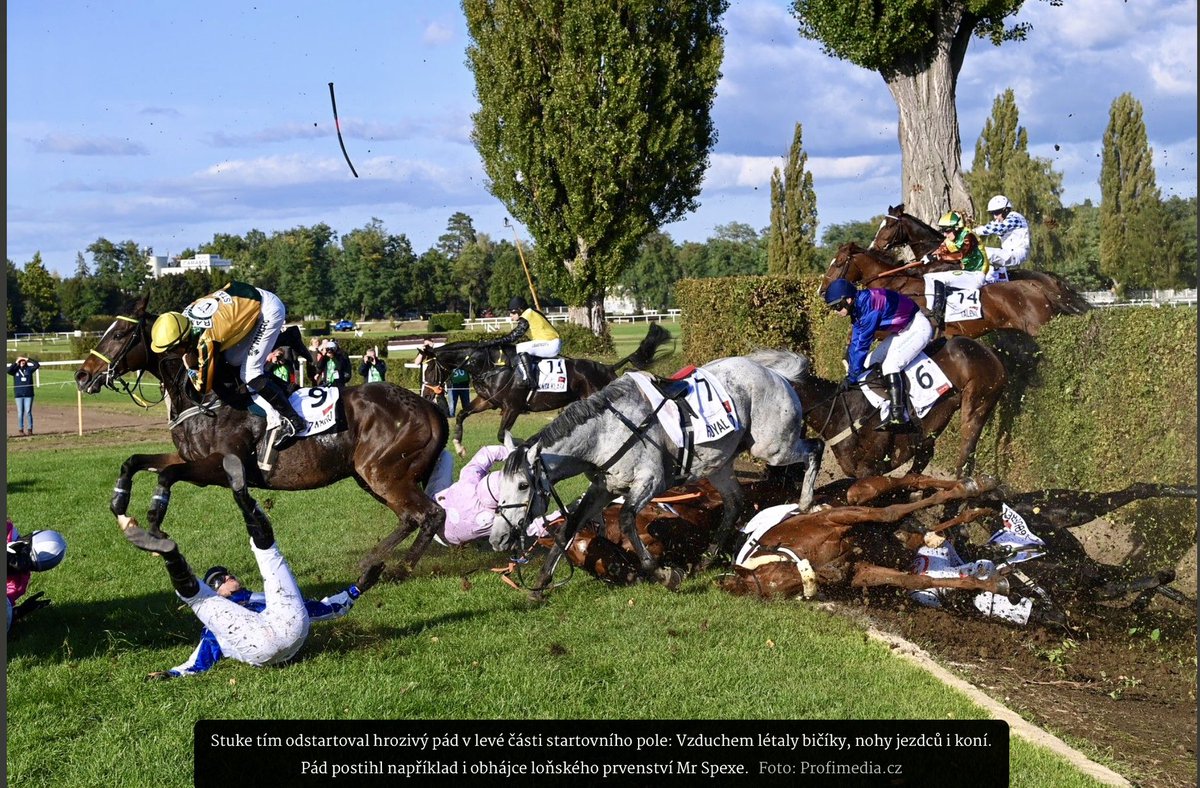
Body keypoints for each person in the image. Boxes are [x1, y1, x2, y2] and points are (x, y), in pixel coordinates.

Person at [119, 504, 360, 680]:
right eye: (219, 580)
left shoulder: (259, 597)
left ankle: (242, 498)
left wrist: (355, 590)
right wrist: (172, 673)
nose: (227, 577)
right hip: (257, 646)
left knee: (269, 561)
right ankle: (172, 556)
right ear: (217, 592)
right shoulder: (218, 621)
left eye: (227, 574)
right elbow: (201, 659)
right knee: (200, 599)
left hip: (290, 630)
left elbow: (315, 609)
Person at [150, 281, 304, 447]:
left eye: (172, 349)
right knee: (233, 359)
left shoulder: (206, 340)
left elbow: (203, 386)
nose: (172, 354)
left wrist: (190, 367)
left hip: (267, 310)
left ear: (182, 340)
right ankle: (286, 338)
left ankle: (293, 420)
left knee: (250, 373)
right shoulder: (183, 318)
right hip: (250, 300)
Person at [823, 278, 933, 429]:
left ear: (848, 300)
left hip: (918, 327)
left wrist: (852, 377)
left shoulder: (869, 309)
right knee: (870, 361)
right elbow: (856, 341)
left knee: (890, 365)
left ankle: (899, 414)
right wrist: (851, 373)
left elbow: (862, 345)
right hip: (903, 331)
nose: (835, 311)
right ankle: (886, 404)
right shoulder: (858, 306)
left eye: (837, 306)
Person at [426, 445, 551, 546]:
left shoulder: (469, 479)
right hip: (447, 540)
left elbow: (487, 452)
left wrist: (513, 455)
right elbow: (533, 527)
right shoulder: (497, 519)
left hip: (432, 507)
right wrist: (558, 514)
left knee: (445, 455)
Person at [920, 211, 990, 327]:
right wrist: (929, 256)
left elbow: (961, 255)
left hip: (976, 275)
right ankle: (930, 311)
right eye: (943, 231)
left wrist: (940, 257)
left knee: (938, 278)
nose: (945, 234)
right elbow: (942, 249)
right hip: (967, 274)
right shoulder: (951, 239)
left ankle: (937, 315)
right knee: (928, 277)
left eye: (947, 230)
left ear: (956, 228)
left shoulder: (969, 236)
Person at [482, 297, 561, 387]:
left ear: (520, 310)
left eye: (513, 312)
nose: (510, 315)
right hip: (550, 343)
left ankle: (530, 380)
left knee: (521, 347)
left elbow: (512, 337)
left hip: (550, 344)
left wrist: (493, 342)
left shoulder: (526, 316)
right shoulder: (531, 313)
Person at [7, 519, 66, 632]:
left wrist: (18, 612)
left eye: (29, 564)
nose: (21, 564)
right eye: (25, 553)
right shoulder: (7, 531)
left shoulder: (19, 582)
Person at [972, 195, 1030, 277]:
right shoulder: (1002, 220)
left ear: (1006, 210)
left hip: (1016, 254)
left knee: (982, 252)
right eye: (992, 213)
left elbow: (996, 228)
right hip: (1008, 253)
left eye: (996, 213)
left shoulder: (1015, 217)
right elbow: (989, 226)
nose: (995, 216)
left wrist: (972, 231)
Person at [8, 355, 40, 436]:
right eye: (20, 361)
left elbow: (37, 365)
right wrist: (16, 362)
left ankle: (30, 429)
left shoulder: (29, 369)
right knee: (20, 413)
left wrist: (28, 359)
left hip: (28, 394)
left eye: (23, 361)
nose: (22, 362)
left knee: (28, 412)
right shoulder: (15, 370)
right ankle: (21, 430)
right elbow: (8, 371)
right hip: (18, 395)